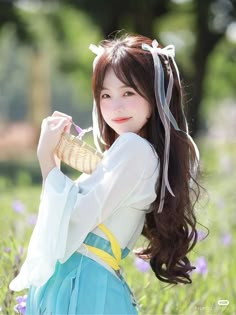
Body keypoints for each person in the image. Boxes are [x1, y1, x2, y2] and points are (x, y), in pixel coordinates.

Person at [9, 33, 200, 314]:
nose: (116, 107)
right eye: (106, 95)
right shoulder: (138, 153)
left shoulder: (134, 148)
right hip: (87, 280)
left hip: (83, 284)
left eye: (128, 93)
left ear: (155, 95)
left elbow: (74, 221)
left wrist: (46, 160)